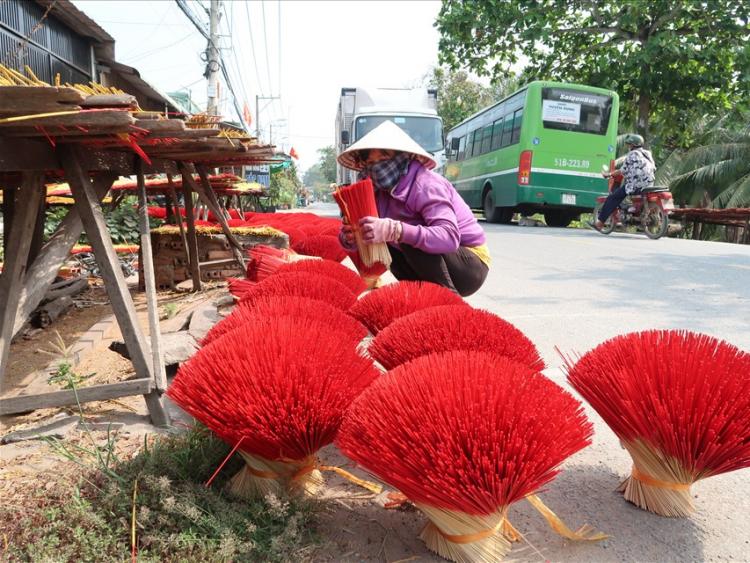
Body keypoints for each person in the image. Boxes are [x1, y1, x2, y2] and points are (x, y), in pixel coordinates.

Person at [337, 120, 490, 296]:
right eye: (371, 162)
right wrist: (351, 237)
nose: (377, 167)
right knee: (387, 235)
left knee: (404, 234)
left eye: (384, 158)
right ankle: (419, 295)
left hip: (469, 265)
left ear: (403, 157)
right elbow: (367, 236)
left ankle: (448, 299)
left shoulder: (425, 184)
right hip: (428, 264)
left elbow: (449, 237)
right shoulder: (376, 192)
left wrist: (396, 230)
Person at [589, 133, 656, 231]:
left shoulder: (632, 154)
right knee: (624, 191)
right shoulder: (647, 153)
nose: (628, 146)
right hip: (649, 183)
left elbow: (622, 170)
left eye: (629, 144)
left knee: (613, 198)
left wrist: (609, 174)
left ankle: (600, 223)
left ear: (633, 145)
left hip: (636, 185)